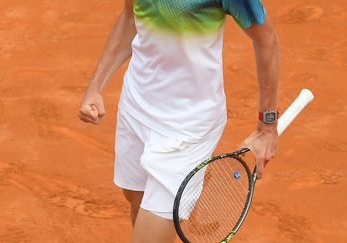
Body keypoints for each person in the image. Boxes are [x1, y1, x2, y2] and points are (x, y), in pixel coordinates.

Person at [78, 0, 279, 242]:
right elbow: (130, 16)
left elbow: (266, 39)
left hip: (187, 130)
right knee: (136, 199)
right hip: (135, 107)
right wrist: (95, 86)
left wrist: (267, 127)